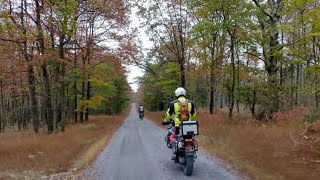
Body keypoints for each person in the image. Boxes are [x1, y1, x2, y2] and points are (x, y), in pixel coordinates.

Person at [161, 87, 196, 159]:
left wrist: (165, 121)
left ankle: (174, 152)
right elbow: (194, 114)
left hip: (177, 126)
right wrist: (190, 121)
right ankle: (193, 150)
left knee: (171, 137)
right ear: (185, 94)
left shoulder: (173, 104)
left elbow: (168, 115)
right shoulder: (190, 103)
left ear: (176, 94)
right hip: (188, 126)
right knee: (190, 137)